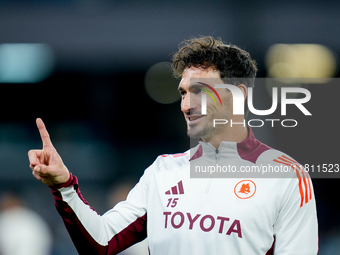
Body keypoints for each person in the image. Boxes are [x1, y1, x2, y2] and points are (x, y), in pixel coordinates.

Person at [28, 36, 318, 254]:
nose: (186, 105)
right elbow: (101, 242)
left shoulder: (287, 177)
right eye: (183, 93)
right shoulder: (163, 171)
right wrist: (64, 185)